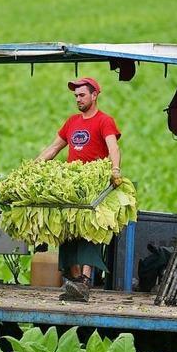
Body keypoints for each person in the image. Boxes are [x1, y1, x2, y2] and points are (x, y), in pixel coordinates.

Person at [36, 77, 122, 302]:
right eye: (76, 96)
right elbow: (54, 148)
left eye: (82, 95)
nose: (78, 99)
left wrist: (115, 170)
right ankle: (73, 280)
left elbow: (113, 147)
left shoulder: (105, 121)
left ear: (95, 95)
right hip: (71, 184)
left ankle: (84, 280)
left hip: (93, 185)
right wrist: (34, 167)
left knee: (89, 231)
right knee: (67, 230)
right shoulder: (72, 122)